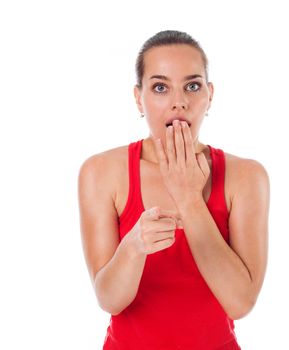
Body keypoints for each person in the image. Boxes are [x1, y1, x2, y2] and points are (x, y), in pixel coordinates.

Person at [78, 30, 270, 350]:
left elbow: (240, 302)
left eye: (192, 86)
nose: (178, 102)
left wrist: (189, 199)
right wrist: (134, 246)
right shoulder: (100, 172)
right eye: (160, 87)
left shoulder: (247, 176)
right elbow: (110, 299)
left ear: (209, 95)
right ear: (139, 98)